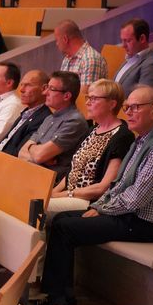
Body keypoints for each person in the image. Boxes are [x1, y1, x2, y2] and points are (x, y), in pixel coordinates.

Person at [28, 85, 153, 305]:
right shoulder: (143, 140)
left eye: (135, 107)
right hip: (127, 214)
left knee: (65, 227)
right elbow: (118, 185)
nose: (129, 113)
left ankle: (56, 301)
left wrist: (103, 209)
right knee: (62, 219)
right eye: (127, 107)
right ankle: (64, 296)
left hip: (143, 223)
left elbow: (137, 197)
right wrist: (99, 206)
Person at [46, 79, 134, 222]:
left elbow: (104, 187)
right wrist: (52, 192)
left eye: (93, 98)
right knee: (32, 200)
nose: (87, 103)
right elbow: (73, 171)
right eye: (88, 98)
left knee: (35, 208)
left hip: (89, 201)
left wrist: (63, 195)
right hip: (69, 194)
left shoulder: (122, 136)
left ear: (112, 104)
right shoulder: (92, 130)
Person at [18, 71, 89, 182]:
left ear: (66, 96)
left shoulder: (74, 121)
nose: (45, 92)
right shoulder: (49, 118)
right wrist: (37, 153)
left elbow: (39, 156)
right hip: (31, 173)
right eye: (47, 87)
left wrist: (32, 150)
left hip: (49, 180)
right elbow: (21, 153)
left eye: (51, 89)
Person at [113, 18, 153, 97]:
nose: (123, 45)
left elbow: (145, 99)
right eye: (122, 41)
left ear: (142, 39)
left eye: (128, 41)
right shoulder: (128, 59)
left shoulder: (152, 65)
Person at [55, 20, 107, 92]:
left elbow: (84, 95)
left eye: (57, 40)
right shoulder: (67, 59)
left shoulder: (90, 59)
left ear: (65, 39)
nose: (57, 44)